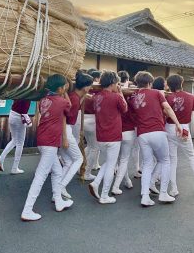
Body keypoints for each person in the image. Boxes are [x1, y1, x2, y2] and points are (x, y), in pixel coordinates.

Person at [21, 74, 73, 221]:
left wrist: (62, 90)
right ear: (60, 88)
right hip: (50, 142)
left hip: (42, 139)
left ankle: (59, 201)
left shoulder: (43, 100)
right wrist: (66, 93)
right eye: (64, 87)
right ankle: (27, 210)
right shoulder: (62, 101)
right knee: (41, 175)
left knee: (57, 171)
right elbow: (71, 109)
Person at [128, 71, 182, 207]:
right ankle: (163, 193)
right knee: (165, 160)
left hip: (142, 134)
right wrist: (177, 124)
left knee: (146, 164)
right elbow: (168, 109)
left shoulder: (132, 97)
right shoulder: (157, 93)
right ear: (150, 82)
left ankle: (145, 196)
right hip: (157, 130)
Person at [88, 71, 128, 205]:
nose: (118, 85)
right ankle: (104, 195)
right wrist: (121, 93)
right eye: (117, 83)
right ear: (112, 83)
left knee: (108, 163)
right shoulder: (116, 97)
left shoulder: (96, 97)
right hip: (113, 135)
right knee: (111, 165)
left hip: (101, 136)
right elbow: (125, 109)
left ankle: (96, 182)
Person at [59, 71, 93, 196]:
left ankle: (58, 188)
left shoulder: (74, 95)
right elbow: (64, 117)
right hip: (65, 130)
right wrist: (65, 137)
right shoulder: (73, 99)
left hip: (63, 130)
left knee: (68, 161)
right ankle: (61, 187)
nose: (91, 88)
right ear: (85, 87)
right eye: (89, 86)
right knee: (78, 159)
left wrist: (84, 96)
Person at [166, 74, 194, 197]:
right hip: (184, 128)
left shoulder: (168, 97)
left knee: (172, 159)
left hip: (169, 128)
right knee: (191, 156)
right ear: (181, 83)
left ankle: (173, 189)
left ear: (170, 84)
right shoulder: (191, 96)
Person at [0, 99, 32, 174]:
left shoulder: (20, 89)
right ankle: (14, 168)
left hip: (12, 114)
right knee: (20, 143)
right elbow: (24, 112)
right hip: (20, 117)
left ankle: (1, 158)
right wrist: (28, 121)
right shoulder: (29, 93)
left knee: (14, 140)